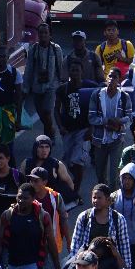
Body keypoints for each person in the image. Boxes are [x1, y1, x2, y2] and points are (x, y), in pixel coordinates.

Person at [55, 61, 99, 202]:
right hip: (68, 130)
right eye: (72, 70)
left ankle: (75, 191)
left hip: (83, 129)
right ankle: (72, 182)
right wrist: (60, 126)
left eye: (77, 70)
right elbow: (56, 109)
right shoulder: (63, 89)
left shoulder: (90, 87)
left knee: (78, 160)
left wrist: (92, 128)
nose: (75, 73)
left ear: (82, 72)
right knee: (68, 161)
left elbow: (98, 106)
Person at [88, 68, 133, 190]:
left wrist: (118, 125)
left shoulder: (124, 97)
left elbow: (129, 118)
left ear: (119, 80)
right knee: (100, 176)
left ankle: (112, 202)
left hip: (116, 140)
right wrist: (107, 122)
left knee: (114, 175)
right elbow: (91, 118)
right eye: (110, 76)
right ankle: (103, 198)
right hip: (99, 141)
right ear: (106, 78)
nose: (112, 79)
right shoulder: (96, 95)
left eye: (115, 77)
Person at [23, 23, 65, 138]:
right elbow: (29, 69)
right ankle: (50, 131)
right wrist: (25, 88)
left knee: (47, 111)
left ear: (50, 35)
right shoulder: (33, 49)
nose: (43, 35)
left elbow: (61, 68)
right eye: (41, 33)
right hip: (37, 86)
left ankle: (49, 137)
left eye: (46, 33)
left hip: (51, 86)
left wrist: (63, 85)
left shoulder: (56, 49)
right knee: (42, 114)